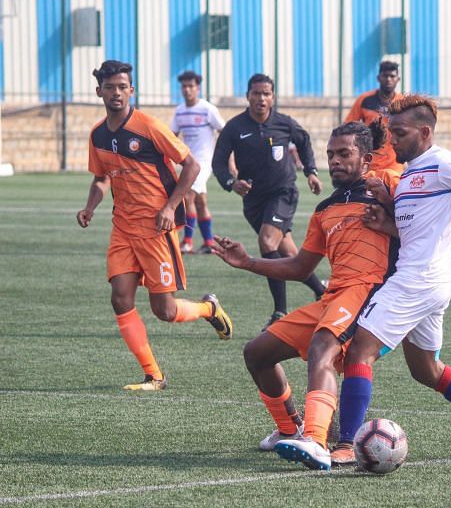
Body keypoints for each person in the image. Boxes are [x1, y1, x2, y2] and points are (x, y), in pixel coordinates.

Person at [274, 94, 451, 470]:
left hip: (418, 278)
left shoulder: (444, 162)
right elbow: (418, 227)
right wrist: (388, 219)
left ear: (424, 132)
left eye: (400, 133)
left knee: (360, 348)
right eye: (391, 133)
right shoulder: (410, 173)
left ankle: (345, 444)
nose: (392, 141)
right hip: (431, 278)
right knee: (426, 370)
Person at [210, 121, 400, 471]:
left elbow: (423, 223)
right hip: (334, 296)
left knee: (321, 348)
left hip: (367, 290)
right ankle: (291, 428)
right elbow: (300, 266)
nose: (335, 161)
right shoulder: (324, 209)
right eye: (331, 155)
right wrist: (249, 262)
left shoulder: (387, 185)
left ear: (367, 158)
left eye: (345, 154)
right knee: (257, 353)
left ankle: (315, 440)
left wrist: (390, 214)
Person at [76, 60, 233, 391]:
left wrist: (171, 206)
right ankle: (154, 375)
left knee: (164, 310)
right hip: (123, 226)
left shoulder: (149, 126)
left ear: (131, 90)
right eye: (110, 87)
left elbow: (190, 164)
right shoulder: (98, 135)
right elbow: (101, 179)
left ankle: (209, 309)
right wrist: (90, 206)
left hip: (156, 227)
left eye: (122, 87)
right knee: (120, 298)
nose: (116, 93)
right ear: (99, 91)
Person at [212, 73, 327, 327]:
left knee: (266, 240)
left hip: (282, 193)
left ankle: (280, 313)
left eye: (266, 94)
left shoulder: (284, 123)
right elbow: (219, 161)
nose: (261, 98)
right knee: (289, 254)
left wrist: (311, 172)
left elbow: (304, 141)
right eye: (256, 93)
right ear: (248, 96)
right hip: (253, 201)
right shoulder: (235, 127)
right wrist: (232, 183)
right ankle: (322, 292)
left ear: (272, 97)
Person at [170, 70, 226, 254]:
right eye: (184, 86)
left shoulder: (207, 109)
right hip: (189, 162)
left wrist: (226, 157)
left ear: (198, 88)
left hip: (204, 162)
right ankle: (209, 242)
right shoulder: (179, 111)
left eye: (190, 86)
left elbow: (223, 131)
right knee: (200, 202)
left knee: (187, 196)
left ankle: (187, 242)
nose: (187, 90)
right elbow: (172, 136)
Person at [344, 60, 404, 173]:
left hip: (394, 165)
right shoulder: (365, 100)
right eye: (385, 76)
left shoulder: (402, 102)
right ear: (378, 78)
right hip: (369, 163)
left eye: (392, 76)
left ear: (398, 79)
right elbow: (348, 127)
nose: (388, 79)